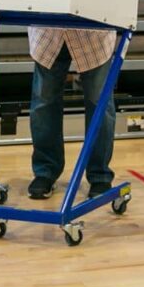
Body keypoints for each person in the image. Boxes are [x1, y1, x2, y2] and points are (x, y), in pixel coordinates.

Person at [27, 27, 118, 200]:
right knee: (43, 103)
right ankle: (45, 171)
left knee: (100, 104)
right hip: (48, 30)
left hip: (93, 30)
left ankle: (100, 175)